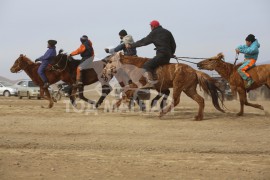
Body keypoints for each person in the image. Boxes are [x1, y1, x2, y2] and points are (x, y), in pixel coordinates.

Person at [126, 20, 176, 89]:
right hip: (167, 56)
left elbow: (143, 42)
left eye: (151, 26)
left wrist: (131, 45)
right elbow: (173, 45)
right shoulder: (167, 32)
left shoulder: (154, 33)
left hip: (161, 55)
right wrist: (171, 53)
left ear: (154, 26)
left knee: (146, 65)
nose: (150, 27)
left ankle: (150, 82)